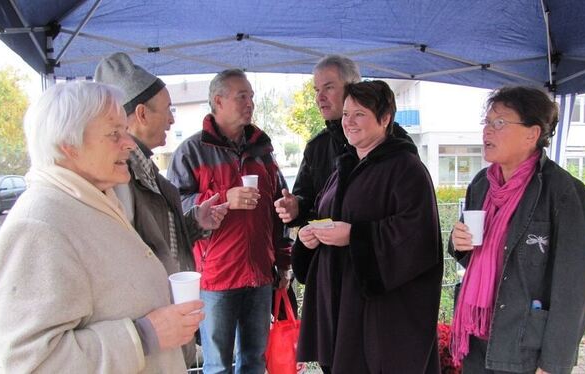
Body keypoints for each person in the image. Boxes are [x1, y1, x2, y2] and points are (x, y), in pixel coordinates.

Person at [0, 81, 203, 373]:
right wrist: (144, 336)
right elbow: (33, 362)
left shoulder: (94, 199)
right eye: (114, 133)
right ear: (69, 146)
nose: (128, 143)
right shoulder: (38, 224)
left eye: (125, 131)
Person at [293, 80, 443, 374]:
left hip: (378, 315)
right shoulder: (344, 166)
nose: (349, 122)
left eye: (359, 114)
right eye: (346, 114)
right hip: (337, 304)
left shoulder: (406, 168)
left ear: (385, 119)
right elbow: (326, 213)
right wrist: (308, 237)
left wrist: (354, 236)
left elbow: (416, 237)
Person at [449, 86, 585, 374]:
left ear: (532, 134)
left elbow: (573, 289)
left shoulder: (564, 193)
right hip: (477, 336)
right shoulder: (482, 185)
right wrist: (459, 243)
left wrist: (554, 364)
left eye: (500, 123)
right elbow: (471, 255)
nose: (486, 131)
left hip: (524, 346)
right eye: (486, 122)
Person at [167, 69, 291, 374]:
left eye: (251, 96)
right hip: (216, 278)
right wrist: (225, 198)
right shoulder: (191, 152)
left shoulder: (263, 150)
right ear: (218, 101)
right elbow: (174, 211)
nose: (250, 103)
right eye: (242, 96)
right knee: (217, 365)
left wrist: (284, 257)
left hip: (260, 274)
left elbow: (278, 210)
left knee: (254, 362)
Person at [95, 52, 227, 278]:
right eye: (168, 109)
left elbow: (158, 239)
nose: (172, 119)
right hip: (150, 309)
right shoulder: (115, 177)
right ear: (142, 114)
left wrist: (195, 221)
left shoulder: (145, 168)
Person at [274, 55, 414, 225]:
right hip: (330, 250)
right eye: (317, 90)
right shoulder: (317, 147)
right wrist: (296, 208)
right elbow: (308, 202)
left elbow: (411, 221)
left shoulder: (396, 144)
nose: (320, 97)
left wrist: (355, 236)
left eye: (329, 87)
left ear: (353, 88)